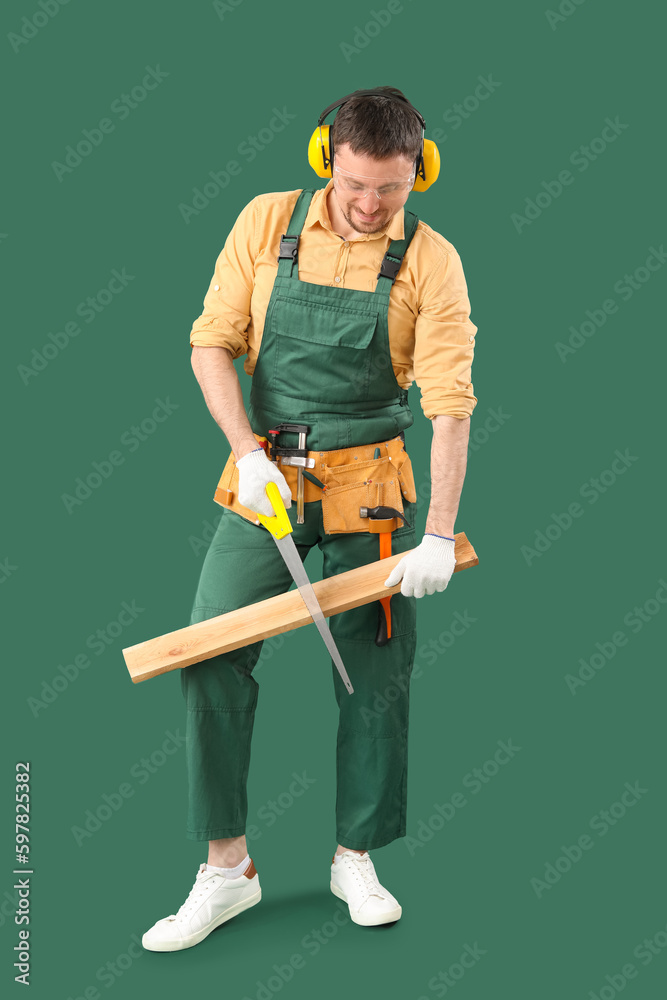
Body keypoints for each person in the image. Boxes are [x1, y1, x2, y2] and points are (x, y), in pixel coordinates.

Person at [142, 86, 477, 952]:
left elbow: (448, 403)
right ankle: (227, 871)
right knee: (207, 650)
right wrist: (246, 454)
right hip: (264, 488)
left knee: (374, 673)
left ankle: (353, 858)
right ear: (326, 156)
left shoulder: (432, 261)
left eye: (391, 191)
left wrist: (437, 530)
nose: (369, 207)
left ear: (420, 172)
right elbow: (210, 341)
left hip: (372, 491)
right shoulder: (265, 222)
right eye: (356, 184)